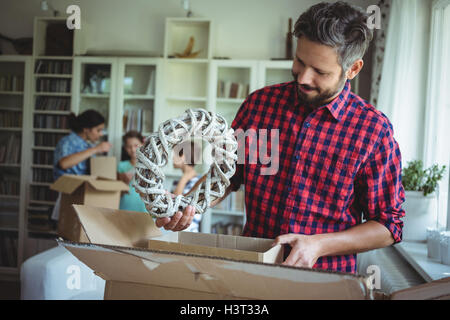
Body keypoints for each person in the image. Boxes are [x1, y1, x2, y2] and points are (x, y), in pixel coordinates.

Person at [157, 1, 405, 274]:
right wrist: (189, 205)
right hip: (251, 269)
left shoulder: (373, 130)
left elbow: (388, 225)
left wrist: (319, 245)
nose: (303, 78)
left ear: (353, 69)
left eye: (320, 71)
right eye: (300, 61)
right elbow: (229, 175)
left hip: (324, 281)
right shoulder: (260, 105)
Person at [52, 109, 112, 219]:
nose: (101, 134)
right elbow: (64, 164)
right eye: (98, 130)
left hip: (82, 194)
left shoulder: (87, 146)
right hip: (68, 194)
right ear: (86, 129)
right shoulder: (67, 141)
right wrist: (96, 149)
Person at [171, 140, 202, 232]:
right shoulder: (176, 182)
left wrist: (184, 178)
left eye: (174, 155)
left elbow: (177, 204)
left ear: (183, 157)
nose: (172, 158)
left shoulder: (198, 182)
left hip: (189, 232)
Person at [117, 131, 147, 212]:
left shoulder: (149, 166)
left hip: (143, 208)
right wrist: (125, 182)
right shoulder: (121, 166)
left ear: (142, 145)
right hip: (124, 207)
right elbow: (117, 193)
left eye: (136, 145)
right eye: (129, 147)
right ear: (125, 148)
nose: (133, 150)